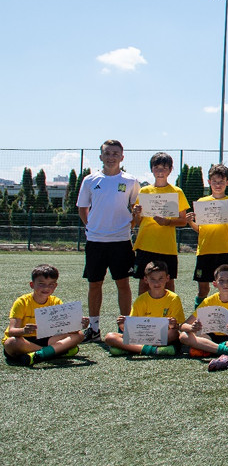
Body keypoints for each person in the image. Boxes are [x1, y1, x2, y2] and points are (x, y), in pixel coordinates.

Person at [76, 139, 141, 341]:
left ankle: (125, 327)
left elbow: (136, 211)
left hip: (121, 241)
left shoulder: (131, 181)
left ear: (122, 157)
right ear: (100, 156)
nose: (111, 157)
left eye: (115, 154)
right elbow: (82, 208)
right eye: (107, 153)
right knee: (94, 284)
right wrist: (92, 227)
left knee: (123, 283)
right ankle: (94, 329)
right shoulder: (89, 180)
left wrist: (128, 227)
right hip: (95, 241)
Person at [4, 264, 86, 366]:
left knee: (80, 335)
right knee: (11, 343)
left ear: (55, 286)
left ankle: (39, 354)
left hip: (48, 339)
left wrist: (79, 324)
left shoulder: (56, 302)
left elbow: (66, 329)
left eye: (51, 284)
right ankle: (54, 352)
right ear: (32, 284)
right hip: (25, 340)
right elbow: (12, 331)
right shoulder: (22, 302)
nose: (46, 288)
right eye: (41, 283)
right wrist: (24, 330)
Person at [130, 151, 188, 296]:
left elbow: (183, 221)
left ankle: (169, 317)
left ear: (170, 170)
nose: (160, 171)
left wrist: (167, 222)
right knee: (144, 285)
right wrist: (136, 213)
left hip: (166, 247)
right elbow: (138, 221)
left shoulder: (177, 192)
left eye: (164, 168)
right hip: (145, 245)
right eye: (157, 168)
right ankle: (142, 317)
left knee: (168, 284)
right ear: (152, 169)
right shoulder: (144, 191)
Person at [186, 163, 228, 308]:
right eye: (215, 182)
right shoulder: (202, 203)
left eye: (221, 182)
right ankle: (199, 320)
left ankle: (223, 321)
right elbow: (200, 229)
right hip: (205, 251)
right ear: (209, 182)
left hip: (224, 251)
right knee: (203, 289)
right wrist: (190, 222)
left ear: (227, 182)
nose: (218, 185)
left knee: (225, 289)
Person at [103, 260, 184, 357]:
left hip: (161, 336)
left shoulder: (173, 298)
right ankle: (153, 350)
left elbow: (176, 327)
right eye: (152, 279)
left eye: (160, 278)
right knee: (109, 337)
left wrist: (173, 324)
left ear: (167, 278)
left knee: (174, 334)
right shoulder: (140, 300)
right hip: (141, 336)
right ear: (146, 280)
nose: (157, 283)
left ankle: (131, 348)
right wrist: (122, 325)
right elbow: (132, 328)